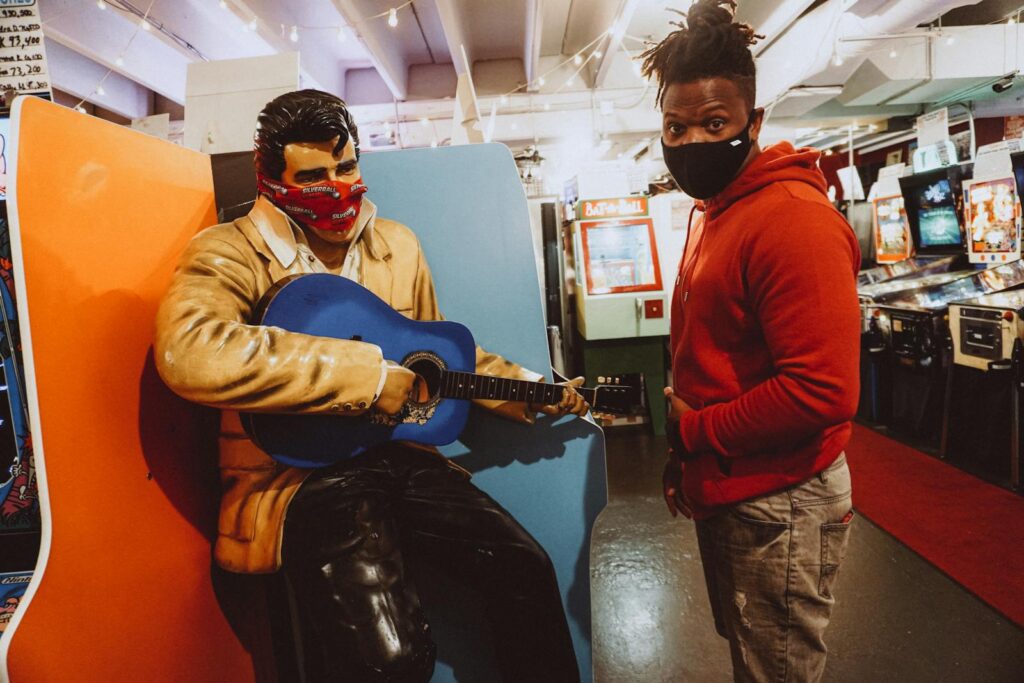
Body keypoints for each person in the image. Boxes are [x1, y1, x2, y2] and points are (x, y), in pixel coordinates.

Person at [155, 89, 586, 682]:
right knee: (391, 661)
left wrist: (531, 387)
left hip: (401, 456)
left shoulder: (397, 246)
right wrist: (364, 376)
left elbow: (439, 355)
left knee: (525, 568)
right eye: (313, 176)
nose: (337, 185)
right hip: (297, 479)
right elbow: (190, 350)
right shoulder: (230, 253)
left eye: (347, 166)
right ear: (270, 176)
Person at [644, 2, 860, 681]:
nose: (692, 144)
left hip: (783, 498)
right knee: (753, 658)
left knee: (779, 669)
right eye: (675, 128)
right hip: (737, 485)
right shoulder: (715, 213)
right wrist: (690, 455)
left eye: (715, 123)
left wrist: (700, 430)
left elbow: (822, 390)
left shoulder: (793, 221)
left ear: (753, 123)